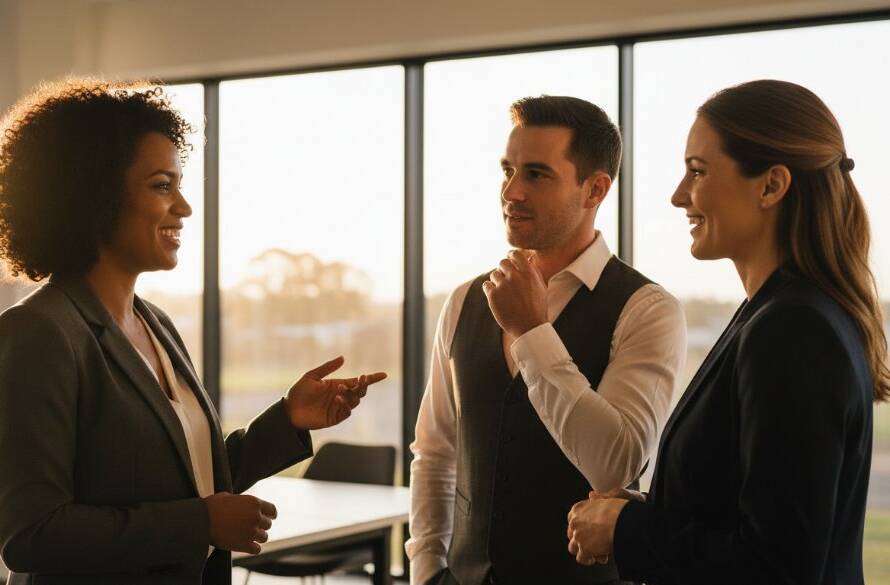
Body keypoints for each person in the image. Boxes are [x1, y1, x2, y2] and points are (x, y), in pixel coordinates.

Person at [0, 79, 386, 585]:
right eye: (162, 185)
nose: (183, 207)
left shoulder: (155, 323)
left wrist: (289, 419)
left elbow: (189, 475)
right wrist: (200, 523)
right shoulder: (40, 333)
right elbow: (32, 533)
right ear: (93, 194)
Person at [567, 79, 890, 584]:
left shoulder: (793, 329)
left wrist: (627, 530)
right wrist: (653, 508)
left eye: (697, 171)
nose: (678, 196)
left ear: (771, 185)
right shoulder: (776, 313)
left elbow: (777, 565)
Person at [407, 95, 687, 585]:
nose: (511, 191)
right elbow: (436, 451)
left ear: (595, 189)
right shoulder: (463, 301)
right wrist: (427, 570)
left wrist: (532, 332)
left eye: (536, 174)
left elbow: (615, 465)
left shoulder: (647, 310)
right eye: (507, 170)